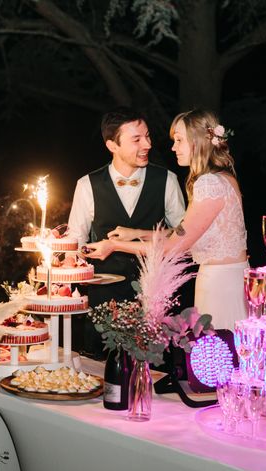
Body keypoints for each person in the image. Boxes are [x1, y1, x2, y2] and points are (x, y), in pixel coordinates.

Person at [84, 109, 248, 331]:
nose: (173, 148)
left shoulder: (209, 184)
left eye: (179, 140)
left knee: (221, 355)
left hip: (221, 286)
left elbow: (174, 247)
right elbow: (184, 231)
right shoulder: (223, 177)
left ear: (197, 142)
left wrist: (114, 245)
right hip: (226, 280)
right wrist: (137, 233)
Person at [67, 107, 186, 358]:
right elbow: (74, 242)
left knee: (153, 375)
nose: (147, 144)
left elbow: (183, 235)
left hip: (154, 298)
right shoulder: (87, 185)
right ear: (112, 145)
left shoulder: (167, 179)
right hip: (103, 301)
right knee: (99, 375)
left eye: (147, 136)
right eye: (136, 139)